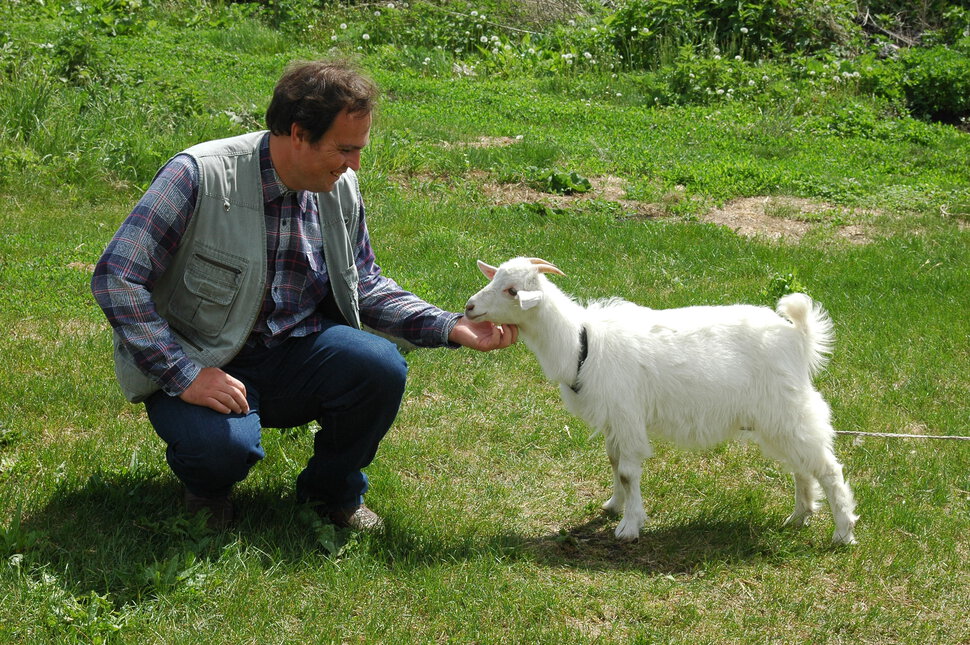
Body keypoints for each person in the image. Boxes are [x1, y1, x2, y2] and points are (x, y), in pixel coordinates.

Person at [91, 59, 517, 531]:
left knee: (378, 367)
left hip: (294, 355)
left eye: (359, 150)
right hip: (200, 359)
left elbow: (365, 283)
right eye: (345, 149)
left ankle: (331, 494)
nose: (356, 164)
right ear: (298, 133)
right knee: (221, 450)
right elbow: (117, 277)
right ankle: (208, 490)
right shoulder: (198, 175)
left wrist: (448, 325)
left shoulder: (340, 186)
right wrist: (185, 374)